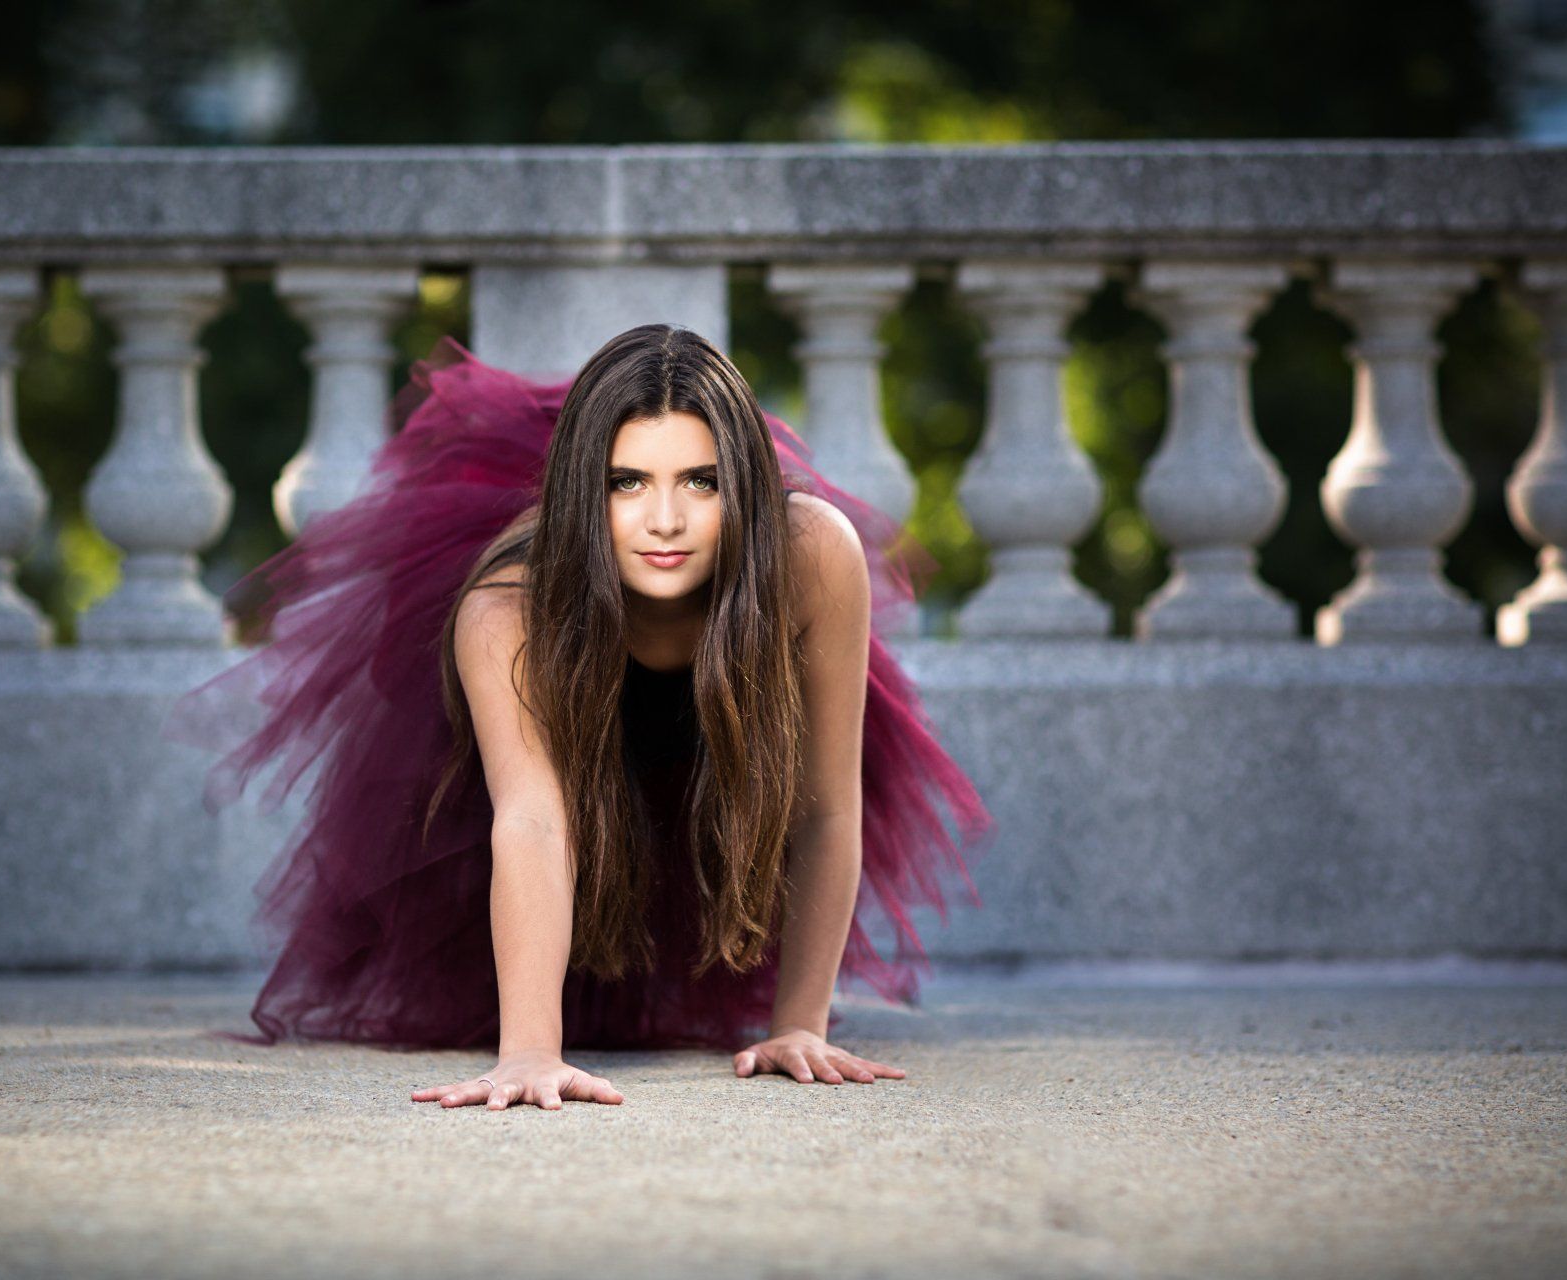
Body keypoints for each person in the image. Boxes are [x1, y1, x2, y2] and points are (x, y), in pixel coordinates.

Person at [163, 323, 995, 1112]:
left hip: (737, 731)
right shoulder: (505, 608)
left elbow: (824, 809)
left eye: (699, 481)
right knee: (546, 949)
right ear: (583, 491)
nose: (663, 521)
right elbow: (530, 820)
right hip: (550, 739)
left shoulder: (813, 553)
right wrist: (529, 1051)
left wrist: (800, 1024)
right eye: (626, 482)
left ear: (740, 483)